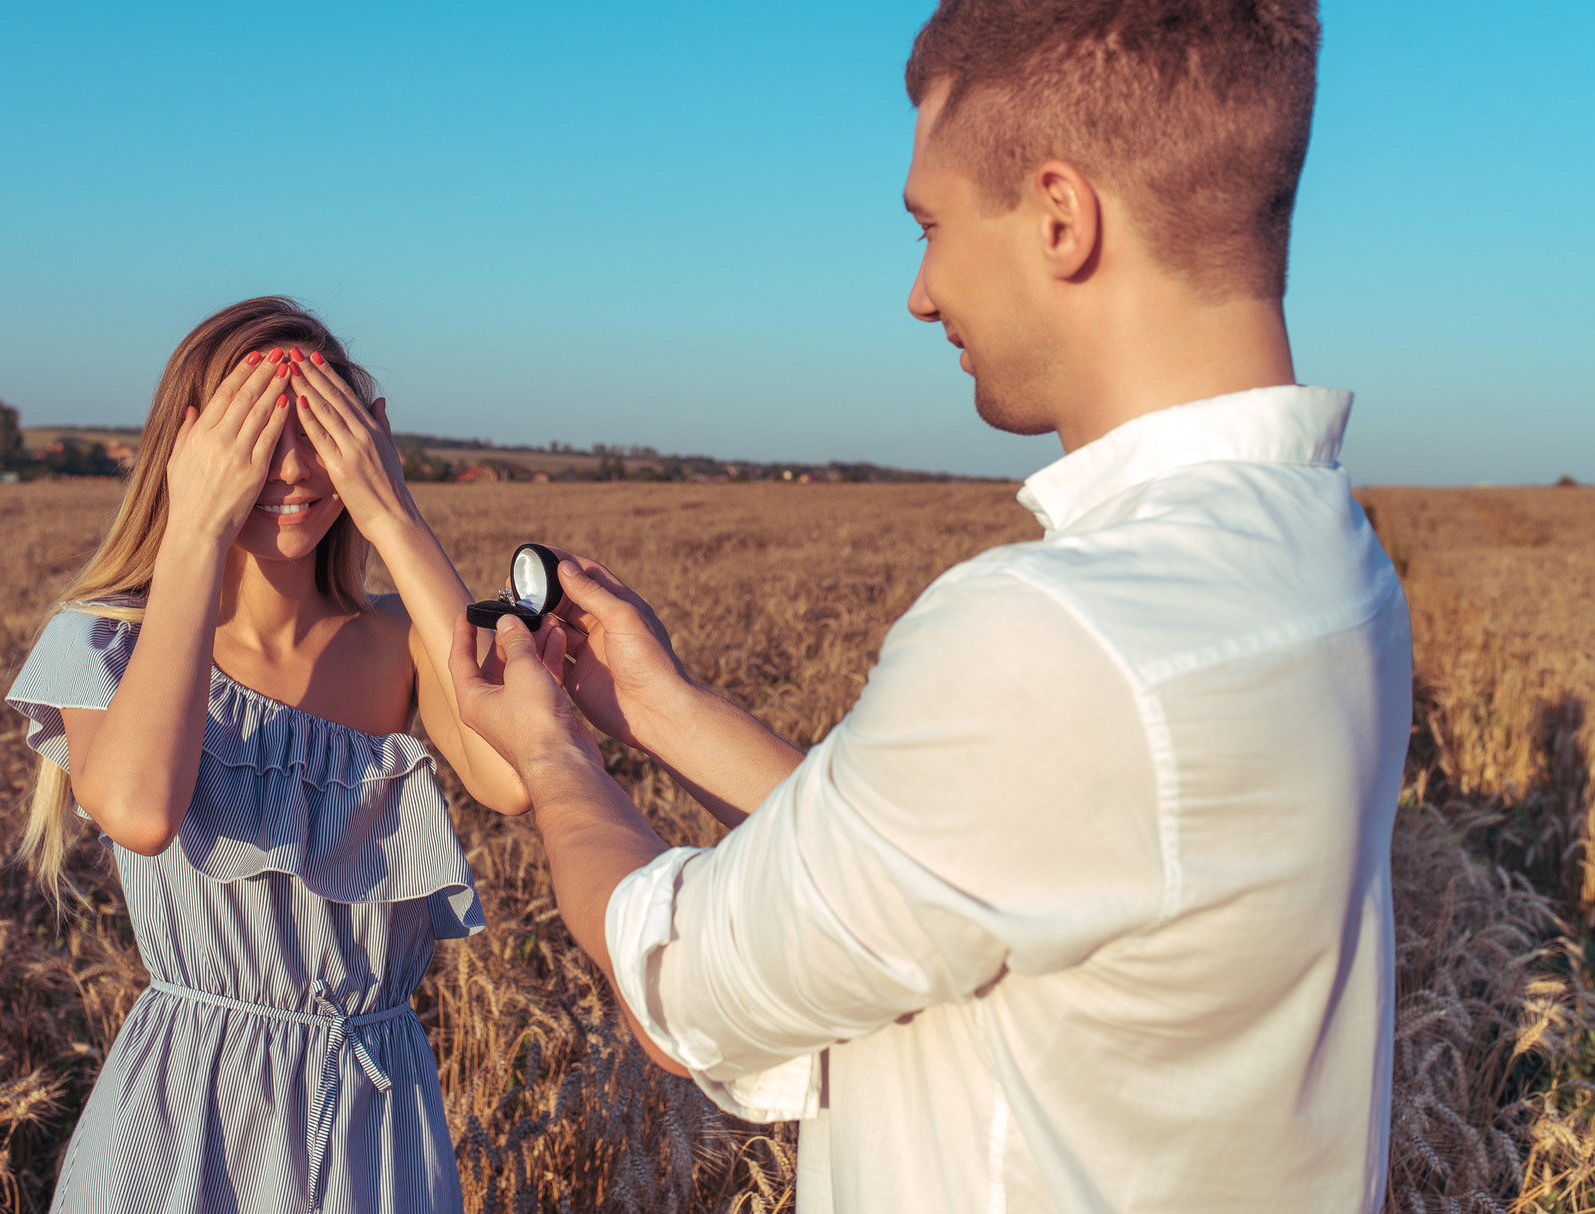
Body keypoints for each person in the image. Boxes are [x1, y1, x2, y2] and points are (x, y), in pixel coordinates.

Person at [448, 1, 1412, 1211]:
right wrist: (661, 707)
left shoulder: (1054, 636)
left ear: (1059, 218)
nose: (918, 291)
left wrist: (550, 750)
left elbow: (679, 984)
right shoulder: (1324, 558)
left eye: (931, 225)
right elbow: (939, 860)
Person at [6, 297, 526, 1213]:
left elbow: (517, 773)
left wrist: (393, 512)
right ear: (190, 451)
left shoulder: (402, 641)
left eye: (320, 434)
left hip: (375, 1114)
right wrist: (196, 529)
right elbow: (140, 811)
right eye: (254, 437)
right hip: (189, 1117)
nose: (290, 469)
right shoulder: (106, 641)